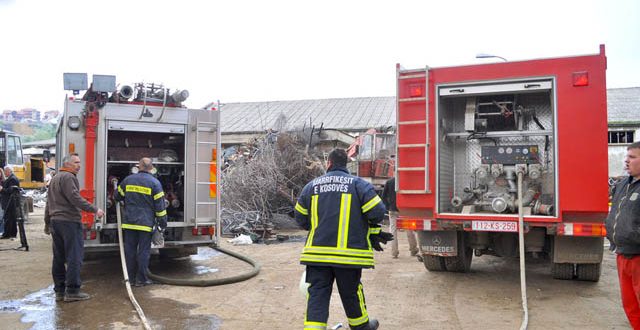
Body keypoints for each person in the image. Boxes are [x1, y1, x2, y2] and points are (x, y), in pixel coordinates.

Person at [294, 148, 392, 330]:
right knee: (351, 292)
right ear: (345, 164)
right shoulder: (358, 185)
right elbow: (378, 213)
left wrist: (317, 225)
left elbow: (299, 217)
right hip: (349, 255)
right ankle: (361, 327)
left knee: (317, 293)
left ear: (329, 163)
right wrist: (365, 227)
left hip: (318, 255)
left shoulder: (312, 186)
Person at [44, 153, 104, 302]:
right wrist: (95, 209)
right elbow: (75, 198)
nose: (79, 165)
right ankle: (72, 291)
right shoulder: (69, 177)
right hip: (69, 222)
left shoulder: (55, 178)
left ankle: (59, 291)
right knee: (74, 256)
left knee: (58, 257)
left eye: (79, 162)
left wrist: (47, 222)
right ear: (68, 164)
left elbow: (48, 203)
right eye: (76, 162)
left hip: (56, 222)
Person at [116, 157, 167, 287]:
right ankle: (142, 279)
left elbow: (117, 196)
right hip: (145, 224)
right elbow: (160, 208)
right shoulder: (155, 183)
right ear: (151, 168)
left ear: (138, 167)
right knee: (143, 251)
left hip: (129, 222)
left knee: (130, 251)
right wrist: (162, 224)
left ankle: (130, 279)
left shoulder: (128, 180)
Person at [606, 141, 640, 329]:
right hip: (622, 253)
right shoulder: (623, 184)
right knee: (630, 304)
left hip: (638, 256)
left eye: (632, 157)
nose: (626, 161)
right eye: (627, 157)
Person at [382, 177, 420, 260]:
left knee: (393, 231)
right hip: (404, 210)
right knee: (409, 229)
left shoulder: (389, 182)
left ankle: (394, 253)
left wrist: (388, 207)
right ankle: (413, 250)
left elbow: (383, 197)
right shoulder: (406, 181)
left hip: (393, 210)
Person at [0, 166, 20, 239]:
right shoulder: (11, 178)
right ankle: (9, 233)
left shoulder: (12, 179)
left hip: (10, 202)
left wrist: (2, 189)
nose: (5, 173)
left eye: (5, 171)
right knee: (9, 218)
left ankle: (9, 234)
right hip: (9, 202)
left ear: (9, 171)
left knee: (10, 218)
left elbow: (11, 190)